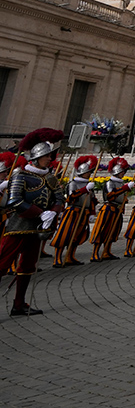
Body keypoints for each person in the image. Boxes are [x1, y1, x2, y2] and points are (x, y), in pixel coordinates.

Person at [1, 129, 64, 316]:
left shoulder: (50, 178)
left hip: (38, 228)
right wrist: (40, 213)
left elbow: (59, 198)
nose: (49, 159)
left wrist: (52, 213)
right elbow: (15, 201)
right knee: (2, 263)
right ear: (36, 157)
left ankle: (19, 304)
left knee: (28, 266)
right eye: (45, 156)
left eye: (49, 156)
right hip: (20, 226)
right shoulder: (20, 175)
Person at [51, 154, 99, 267]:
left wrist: (92, 212)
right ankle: (57, 258)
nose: (90, 174)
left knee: (77, 236)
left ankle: (70, 256)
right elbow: (71, 197)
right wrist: (84, 189)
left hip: (84, 213)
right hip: (73, 211)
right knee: (65, 235)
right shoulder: (73, 183)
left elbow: (92, 200)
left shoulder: (88, 184)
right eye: (88, 172)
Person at [90, 157, 131, 262]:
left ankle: (107, 251)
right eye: (122, 171)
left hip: (117, 210)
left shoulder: (120, 183)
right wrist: (124, 189)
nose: (124, 173)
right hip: (108, 209)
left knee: (112, 232)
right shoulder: (110, 183)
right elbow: (110, 195)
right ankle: (95, 253)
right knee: (102, 230)